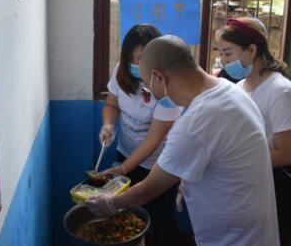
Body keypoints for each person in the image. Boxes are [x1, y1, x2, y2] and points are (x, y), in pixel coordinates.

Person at [88, 35, 280, 246]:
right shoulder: (230, 90)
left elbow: (149, 189)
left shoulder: (197, 121)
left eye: (149, 88)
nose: (151, 94)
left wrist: (109, 203)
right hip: (255, 227)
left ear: (159, 77)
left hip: (234, 237)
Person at [215, 17, 291, 246]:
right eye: (221, 54)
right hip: (247, 177)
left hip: (274, 180)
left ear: (251, 50)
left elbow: (286, 153)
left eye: (228, 53)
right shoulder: (239, 87)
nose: (223, 62)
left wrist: (234, 161)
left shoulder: (281, 91)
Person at [98, 24, 182, 246]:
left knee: (161, 217)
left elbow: (154, 139)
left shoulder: (167, 87)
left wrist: (126, 169)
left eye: (142, 58)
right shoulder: (121, 72)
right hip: (126, 152)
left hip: (159, 163)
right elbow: (112, 104)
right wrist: (108, 125)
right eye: (131, 58)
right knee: (127, 216)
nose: (136, 64)